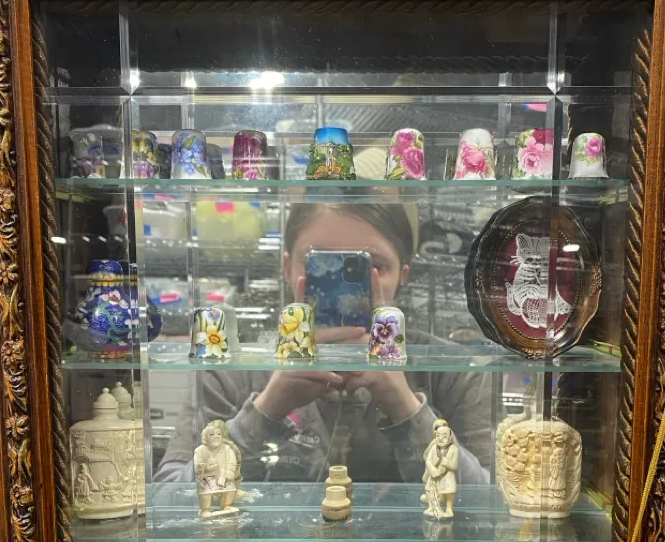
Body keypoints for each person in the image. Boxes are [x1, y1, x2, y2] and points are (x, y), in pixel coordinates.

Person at [156, 200, 491, 488]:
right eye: (320, 264)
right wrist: (267, 408)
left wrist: (405, 405)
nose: (342, 287)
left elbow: (497, 507)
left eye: (370, 266)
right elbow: (171, 497)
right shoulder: (233, 370)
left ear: (403, 275)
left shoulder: (449, 370)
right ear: (287, 267)